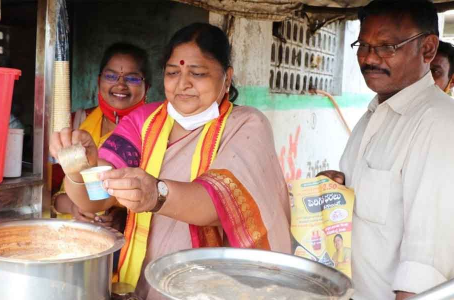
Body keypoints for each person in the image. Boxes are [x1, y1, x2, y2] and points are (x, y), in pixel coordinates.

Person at [50, 22, 292, 298]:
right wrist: (80, 167)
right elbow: (98, 197)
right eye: (173, 72)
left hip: (215, 288)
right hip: (142, 283)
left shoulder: (246, 125)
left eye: (197, 73)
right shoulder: (143, 122)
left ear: (227, 77)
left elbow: (222, 202)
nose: (183, 84)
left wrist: (157, 194)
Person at [319, 1, 454, 299]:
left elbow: (426, 259)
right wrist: (337, 190)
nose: (368, 57)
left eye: (386, 46)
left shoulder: (440, 123)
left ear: (428, 50)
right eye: (363, 45)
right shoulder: (373, 115)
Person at [52, 42, 150, 231]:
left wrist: (125, 216)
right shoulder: (76, 123)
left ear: (148, 86)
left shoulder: (155, 131)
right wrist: (74, 207)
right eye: (111, 76)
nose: (120, 84)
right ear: (98, 81)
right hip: (70, 236)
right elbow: (50, 191)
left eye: (132, 78)